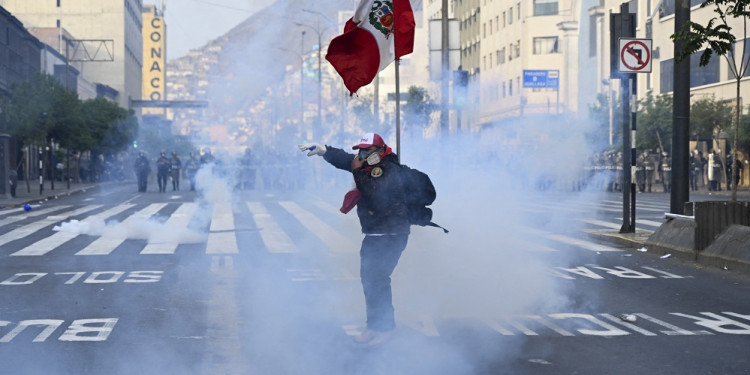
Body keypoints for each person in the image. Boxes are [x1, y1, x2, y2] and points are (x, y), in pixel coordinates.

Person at [298, 133, 431, 346]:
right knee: (371, 280)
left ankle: (385, 328)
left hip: (391, 234)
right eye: (360, 150)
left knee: (377, 279)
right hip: (376, 233)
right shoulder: (369, 167)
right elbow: (347, 161)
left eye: (367, 151)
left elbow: (375, 193)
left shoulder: (388, 170)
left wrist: (358, 170)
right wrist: (325, 149)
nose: (362, 155)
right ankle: (375, 326)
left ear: (379, 151)